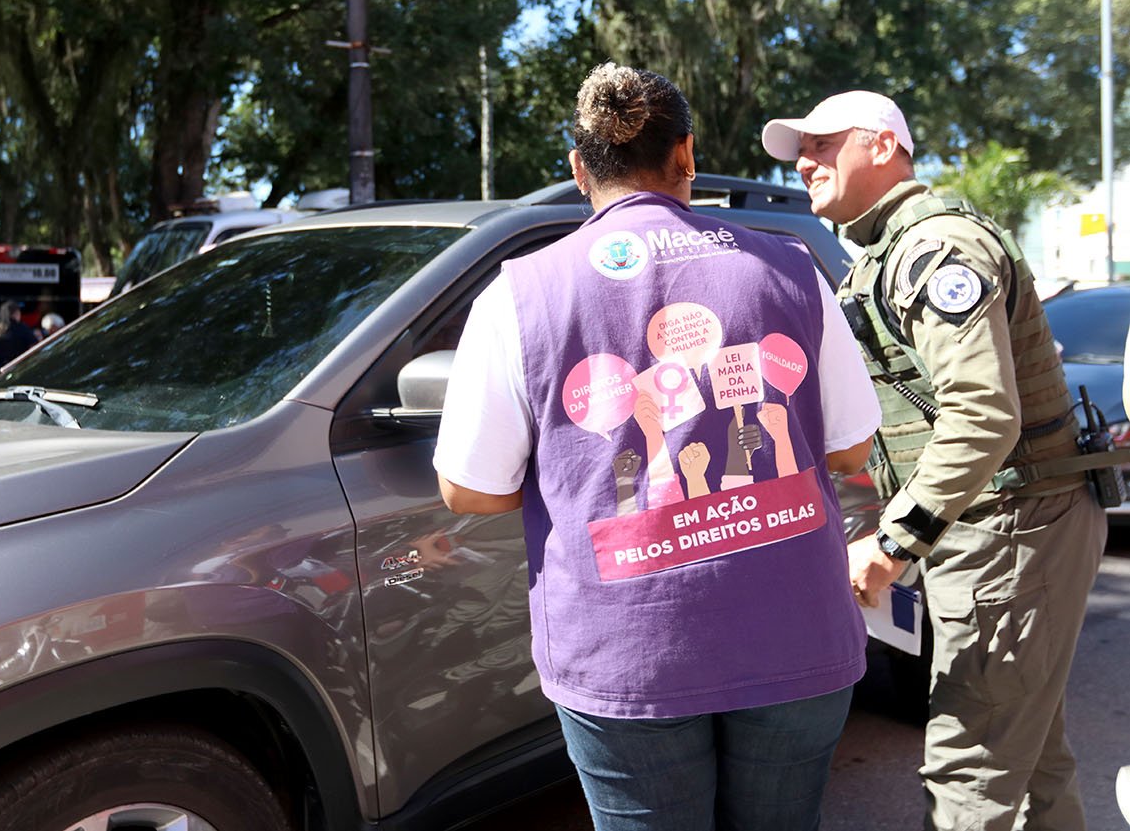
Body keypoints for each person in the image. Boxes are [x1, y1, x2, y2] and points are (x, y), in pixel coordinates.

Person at [433, 63, 881, 831]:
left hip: (626, 648)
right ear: (686, 155)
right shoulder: (790, 269)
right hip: (793, 631)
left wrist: (572, 473)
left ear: (579, 169)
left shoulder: (518, 295)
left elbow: (467, 489)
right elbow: (850, 449)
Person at [762, 90, 1108, 831]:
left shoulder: (934, 248)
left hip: (1008, 529)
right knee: (1032, 763)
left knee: (968, 773)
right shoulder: (883, 255)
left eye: (822, 144)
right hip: (997, 527)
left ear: (882, 144)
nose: (805, 163)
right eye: (801, 152)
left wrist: (893, 544)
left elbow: (983, 414)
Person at [0, 301, 38, 372]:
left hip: (0, 370)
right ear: (16, 313)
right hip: (19, 369)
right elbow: (33, 348)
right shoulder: (22, 328)